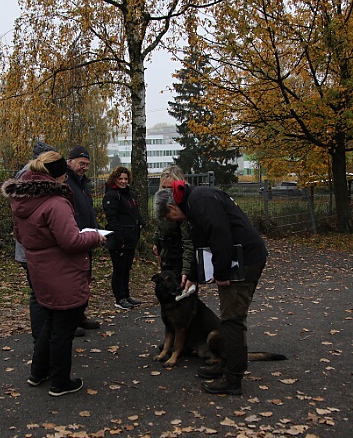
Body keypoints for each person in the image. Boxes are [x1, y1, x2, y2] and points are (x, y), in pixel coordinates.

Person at [2, 151, 106, 396]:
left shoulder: (22, 199)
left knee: (50, 322)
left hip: (40, 270)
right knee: (63, 329)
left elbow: (20, 236)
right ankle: (60, 382)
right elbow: (71, 241)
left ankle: (38, 373)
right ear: (59, 175)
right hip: (62, 273)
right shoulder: (55, 202)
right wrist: (95, 237)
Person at [155, 181, 268, 395]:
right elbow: (201, 242)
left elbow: (220, 235)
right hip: (239, 259)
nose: (172, 221)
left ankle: (232, 379)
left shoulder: (201, 201)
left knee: (232, 319)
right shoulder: (194, 203)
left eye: (169, 218)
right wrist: (193, 276)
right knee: (229, 317)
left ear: (171, 207)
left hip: (245, 260)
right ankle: (224, 364)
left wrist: (222, 273)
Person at [14, 140, 55, 342]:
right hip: (32, 248)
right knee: (39, 294)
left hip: (31, 246)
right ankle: (41, 337)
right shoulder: (29, 176)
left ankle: (46, 334)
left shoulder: (29, 175)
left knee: (43, 292)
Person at [66, 145, 102, 332]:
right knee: (73, 280)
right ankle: (70, 320)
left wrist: (95, 230)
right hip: (74, 238)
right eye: (82, 164)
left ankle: (80, 315)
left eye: (87, 164)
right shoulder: (65, 183)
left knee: (85, 278)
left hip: (87, 237)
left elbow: (88, 209)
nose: (85, 168)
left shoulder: (83, 184)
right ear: (70, 162)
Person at [103, 166, 143, 310]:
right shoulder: (112, 195)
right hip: (118, 239)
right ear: (114, 179)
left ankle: (126, 295)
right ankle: (119, 298)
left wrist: (141, 222)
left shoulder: (130, 194)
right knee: (119, 269)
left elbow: (135, 212)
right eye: (120, 178)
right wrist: (118, 236)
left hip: (131, 238)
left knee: (126, 269)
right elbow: (111, 218)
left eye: (125, 179)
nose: (123, 181)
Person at [152, 166, 194, 276]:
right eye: (164, 187)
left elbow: (188, 241)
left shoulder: (182, 209)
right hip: (166, 254)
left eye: (170, 188)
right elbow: (160, 225)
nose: (167, 192)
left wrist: (186, 270)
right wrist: (156, 242)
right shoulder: (163, 203)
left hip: (178, 257)